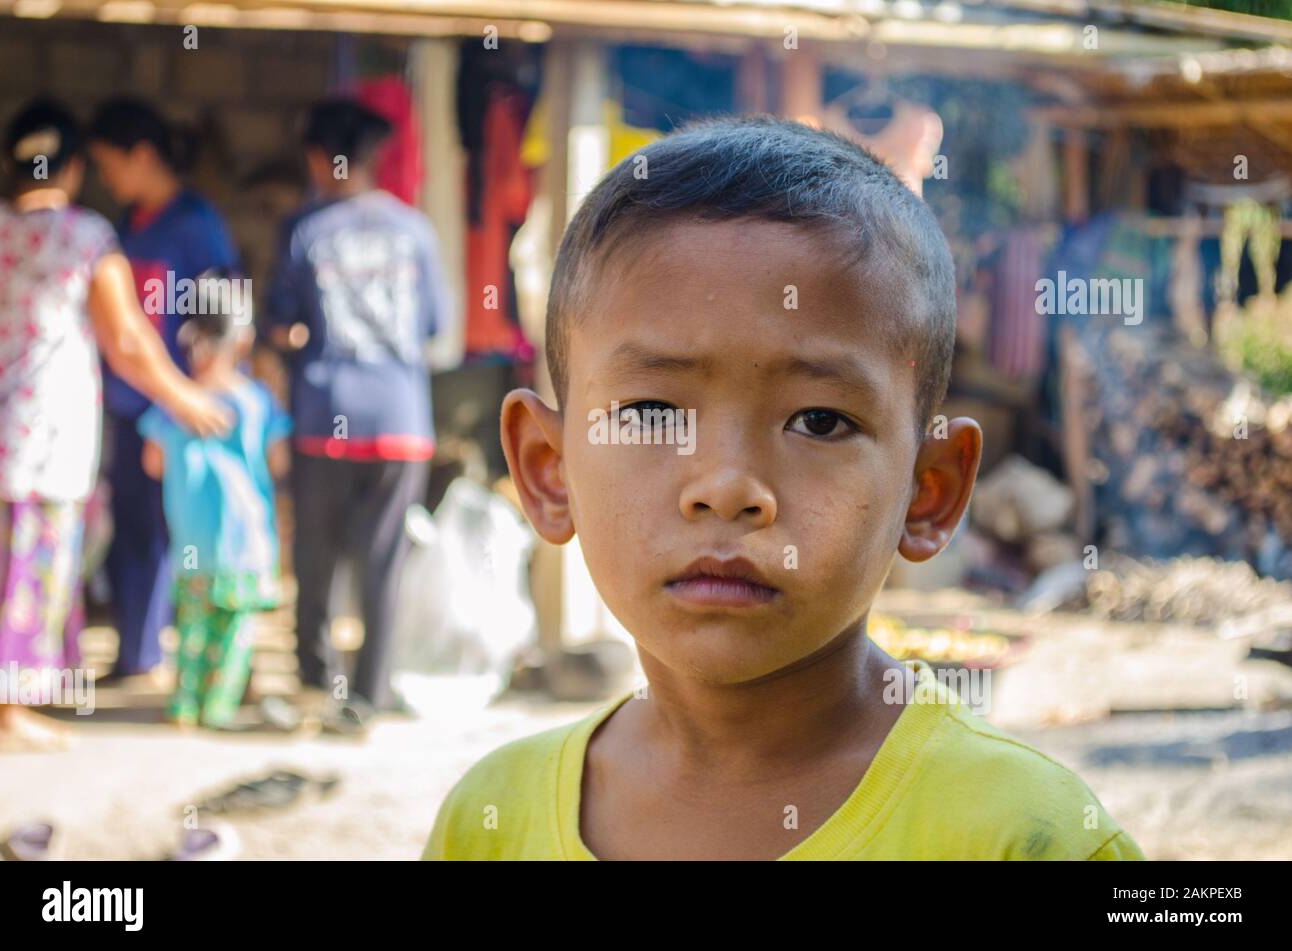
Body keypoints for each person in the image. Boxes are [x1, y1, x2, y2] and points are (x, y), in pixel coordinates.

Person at [423, 117, 1146, 860]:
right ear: (550, 470)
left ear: (929, 489)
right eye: (650, 413)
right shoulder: (491, 821)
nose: (728, 487)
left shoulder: (1022, 836)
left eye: (819, 420)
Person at [0, 100, 229, 751]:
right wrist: (184, 397)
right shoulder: (86, 235)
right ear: (71, 168)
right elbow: (126, 336)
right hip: (43, 440)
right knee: (30, 571)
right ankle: (7, 713)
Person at [264, 99, 451, 726]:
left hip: (325, 417)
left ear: (320, 157)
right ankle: (369, 693)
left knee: (315, 556)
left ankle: (317, 681)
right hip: (400, 420)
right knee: (382, 561)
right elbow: (434, 326)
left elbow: (280, 325)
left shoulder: (304, 230)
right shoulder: (416, 230)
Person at [87, 98, 242, 684]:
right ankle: (139, 654)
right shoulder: (127, 225)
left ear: (142, 156)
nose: (106, 178)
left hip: (185, 412)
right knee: (134, 532)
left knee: (190, 534)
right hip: (133, 406)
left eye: (109, 163)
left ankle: (200, 665)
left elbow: (226, 313)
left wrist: (204, 390)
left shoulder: (197, 225)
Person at [139, 272, 291, 730]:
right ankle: (219, 706)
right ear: (242, 340)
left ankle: (183, 704)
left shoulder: (173, 404)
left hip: (191, 542)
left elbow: (153, 463)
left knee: (191, 627)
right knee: (234, 630)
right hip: (244, 543)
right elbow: (278, 463)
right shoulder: (257, 402)